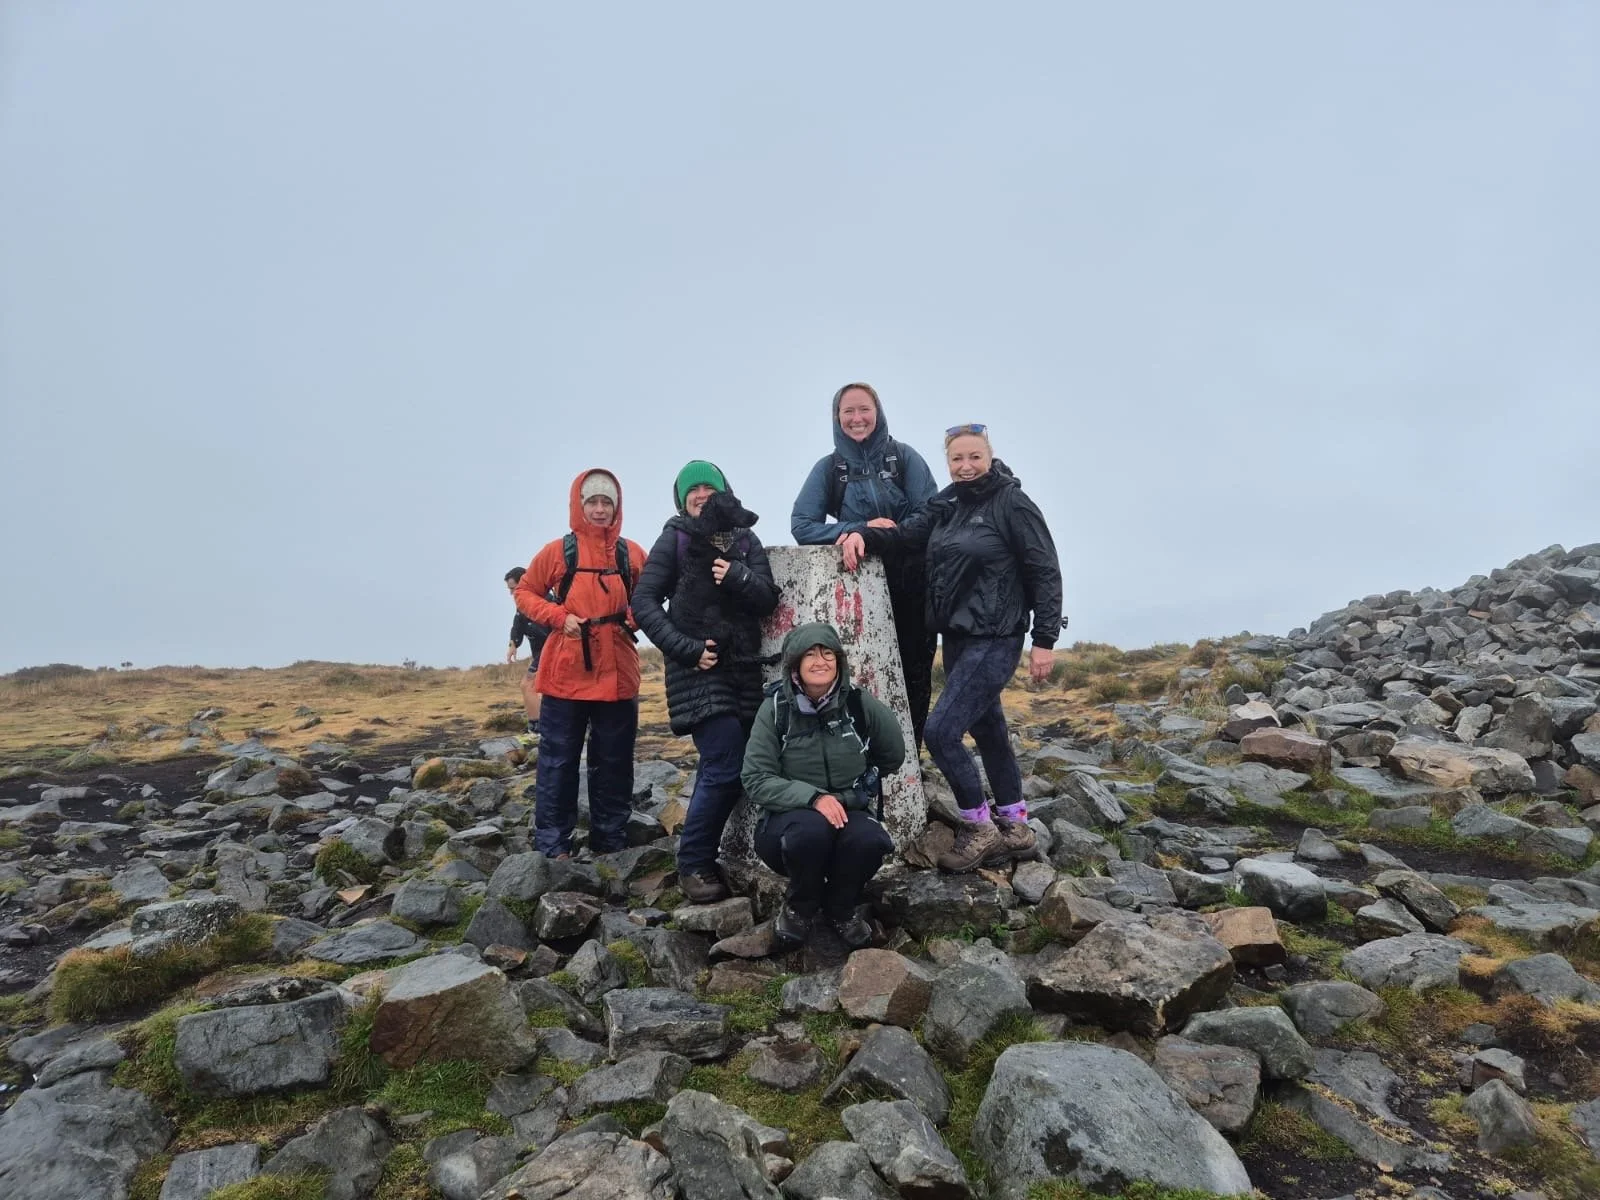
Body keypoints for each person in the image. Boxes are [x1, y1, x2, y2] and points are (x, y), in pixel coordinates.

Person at [840, 424, 1064, 873]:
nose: (965, 467)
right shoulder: (947, 504)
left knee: (941, 732)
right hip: (959, 636)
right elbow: (908, 534)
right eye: (957, 459)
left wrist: (1044, 640)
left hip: (998, 636)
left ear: (989, 455)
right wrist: (862, 533)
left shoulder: (1012, 503)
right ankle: (1016, 825)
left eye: (974, 457)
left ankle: (978, 826)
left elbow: (1044, 569)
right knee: (988, 729)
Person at [632, 461, 780, 904]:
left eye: (708, 488)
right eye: (692, 489)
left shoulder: (744, 540)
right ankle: (694, 863)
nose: (701, 494)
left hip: (745, 668)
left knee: (747, 763)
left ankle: (737, 851)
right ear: (682, 500)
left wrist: (739, 576)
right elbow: (642, 602)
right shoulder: (674, 538)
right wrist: (685, 647)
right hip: (697, 670)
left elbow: (767, 598)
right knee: (724, 761)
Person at [792, 382, 940, 750]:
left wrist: (882, 536)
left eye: (864, 410)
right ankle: (863, 760)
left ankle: (909, 763)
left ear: (878, 412)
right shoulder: (830, 469)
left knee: (915, 677)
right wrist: (857, 529)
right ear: (836, 417)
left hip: (913, 587)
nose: (857, 418)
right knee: (861, 677)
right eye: (848, 412)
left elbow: (932, 516)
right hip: (858, 590)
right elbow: (802, 526)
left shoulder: (904, 458)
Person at [741, 622, 906, 950]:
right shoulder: (775, 710)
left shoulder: (859, 704)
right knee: (810, 834)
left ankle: (841, 908)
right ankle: (800, 907)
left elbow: (892, 755)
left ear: (839, 661)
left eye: (828, 653)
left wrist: (853, 791)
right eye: (811, 654)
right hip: (787, 820)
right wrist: (814, 797)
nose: (821, 661)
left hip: (848, 808)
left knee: (871, 840)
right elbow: (756, 778)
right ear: (795, 666)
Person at [513, 469, 648, 858]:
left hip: (618, 671)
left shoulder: (632, 554)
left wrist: (632, 619)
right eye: (593, 501)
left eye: (608, 502)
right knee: (558, 760)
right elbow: (525, 591)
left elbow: (651, 596)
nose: (601, 509)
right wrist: (558, 617)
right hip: (567, 672)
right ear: (579, 504)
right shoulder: (558, 552)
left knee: (615, 761)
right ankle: (554, 845)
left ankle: (611, 842)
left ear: (617, 507)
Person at [504, 566, 549, 735]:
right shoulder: (522, 607)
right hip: (540, 655)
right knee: (543, 690)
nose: (511, 594)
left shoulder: (546, 601)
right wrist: (513, 645)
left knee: (527, 685)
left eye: (513, 589)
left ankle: (537, 730)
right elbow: (517, 626)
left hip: (554, 654)